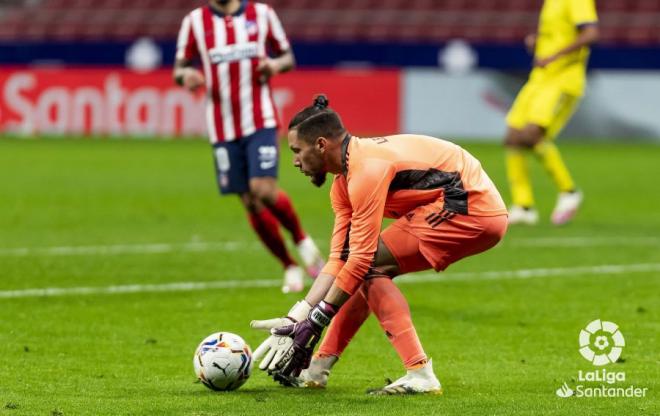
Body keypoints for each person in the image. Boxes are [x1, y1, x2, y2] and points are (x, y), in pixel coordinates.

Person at [250, 95, 508, 394]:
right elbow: (339, 260)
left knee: (369, 267)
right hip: (458, 205)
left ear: (321, 145)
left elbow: (359, 261)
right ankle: (317, 369)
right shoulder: (343, 183)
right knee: (361, 270)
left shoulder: (366, 169)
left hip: (469, 206)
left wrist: (317, 319)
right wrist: (297, 316)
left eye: (297, 150)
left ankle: (420, 373)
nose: (294, 161)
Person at [173, 0, 324, 292]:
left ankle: (301, 240)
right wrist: (187, 76)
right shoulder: (195, 21)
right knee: (250, 202)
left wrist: (273, 65)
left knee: (263, 190)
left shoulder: (262, 14)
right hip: (222, 127)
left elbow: (287, 58)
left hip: (260, 120)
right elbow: (179, 68)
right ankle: (289, 266)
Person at [504, 0, 599, 225]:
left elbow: (590, 34)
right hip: (540, 77)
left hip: (563, 78)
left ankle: (569, 191)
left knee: (531, 135)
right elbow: (558, 33)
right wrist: (538, 42)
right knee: (512, 138)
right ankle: (523, 206)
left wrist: (554, 55)